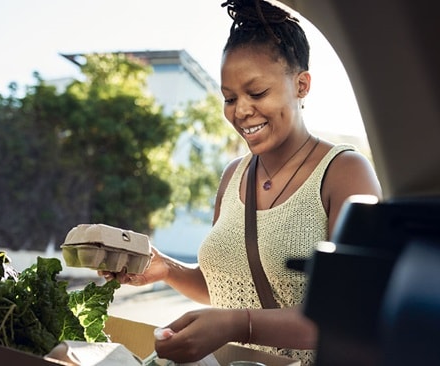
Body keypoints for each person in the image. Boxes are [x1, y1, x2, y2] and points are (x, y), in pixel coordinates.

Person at [100, 0, 382, 364]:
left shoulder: (345, 171)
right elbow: (227, 286)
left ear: (301, 85)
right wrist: (166, 269)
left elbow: (353, 313)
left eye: (257, 93)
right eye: (229, 98)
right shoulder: (234, 175)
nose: (240, 111)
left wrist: (240, 324)